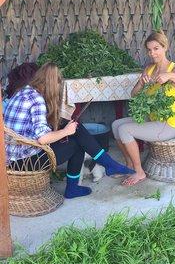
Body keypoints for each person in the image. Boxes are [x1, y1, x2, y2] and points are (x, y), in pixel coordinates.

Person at [4, 62, 134, 199]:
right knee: (76, 141)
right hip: (25, 161)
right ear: (54, 84)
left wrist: (65, 127)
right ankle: (81, 183)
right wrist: (66, 131)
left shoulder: (25, 90)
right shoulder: (37, 101)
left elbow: (31, 125)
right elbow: (43, 139)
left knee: (74, 128)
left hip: (12, 154)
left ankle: (107, 164)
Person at [112, 30, 175, 186]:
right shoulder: (149, 69)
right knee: (116, 125)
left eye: (156, 48)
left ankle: (139, 172)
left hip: (170, 124)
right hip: (153, 118)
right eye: (149, 49)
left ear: (165, 47)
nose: (152, 53)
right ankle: (130, 164)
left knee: (125, 130)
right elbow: (134, 95)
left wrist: (171, 76)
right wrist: (141, 82)